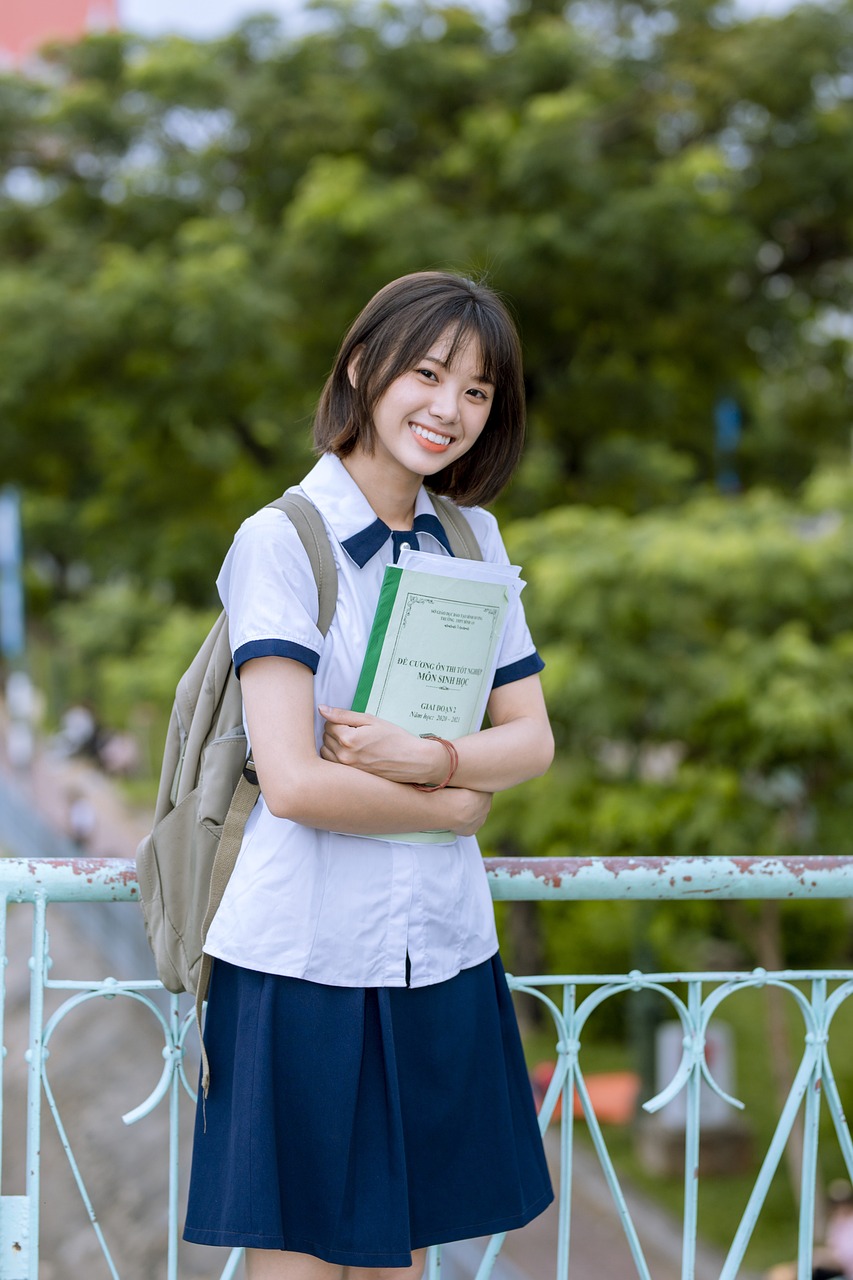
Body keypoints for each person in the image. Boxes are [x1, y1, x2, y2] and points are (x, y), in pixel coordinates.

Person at [182, 271, 556, 1280]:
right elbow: (296, 782)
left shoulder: (473, 538)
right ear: (363, 367)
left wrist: (431, 760)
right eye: (428, 374)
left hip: (436, 949)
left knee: (402, 1262)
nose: (449, 409)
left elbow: (530, 739)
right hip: (303, 956)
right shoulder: (282, 541)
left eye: (477, 391)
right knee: (300, 1259)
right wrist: (456, 801)